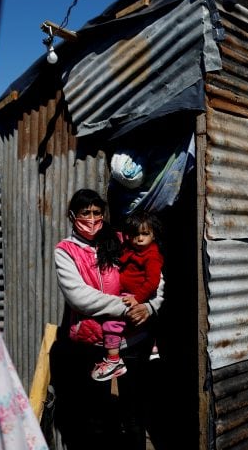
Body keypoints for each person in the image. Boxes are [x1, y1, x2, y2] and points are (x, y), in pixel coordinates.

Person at [52, 188, 163, 450]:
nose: (91, 219)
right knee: (97, 416)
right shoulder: (65, 251)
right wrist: (126, 307)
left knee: (134, 413)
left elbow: (156, 276)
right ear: (72, 216)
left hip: (134, 339)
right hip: (93, 345)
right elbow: (79, 297)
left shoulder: (119, 239)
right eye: (85, 213)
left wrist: (150, 307)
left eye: (96, 213)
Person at [93, 210, 164, 381]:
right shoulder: (129, 248)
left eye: (145, 234)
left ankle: (113, 360)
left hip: (136, 295)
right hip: (127, 294)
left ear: (154, 235)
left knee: (112, 323)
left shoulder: (152, 256)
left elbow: (152, 282)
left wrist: (137, 298)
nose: (139, 238)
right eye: (135, 235)